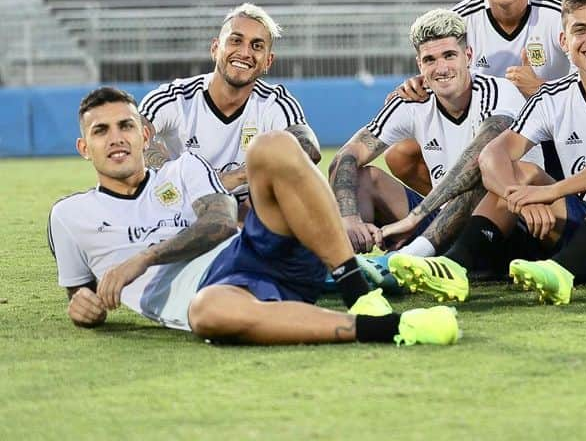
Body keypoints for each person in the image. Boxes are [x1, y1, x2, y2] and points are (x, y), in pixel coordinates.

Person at [49, 87, 458, 346]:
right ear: (84, 147)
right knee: (209, 313)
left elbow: (222, 221)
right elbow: (81, 294)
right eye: (101, 131)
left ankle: (359, 290)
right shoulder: (69, 215)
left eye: (125, 125)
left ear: (144, 135)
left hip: (250, 250)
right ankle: (389, 328)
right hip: (216, 296)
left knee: (272, 145)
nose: (116, 137)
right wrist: (83, 309)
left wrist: (144, 258)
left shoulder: (183, 167)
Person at [389, 0, 586, 306]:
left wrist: (552, 192)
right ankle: (454, 264)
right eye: (579, 30)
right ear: (564, 41)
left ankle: (561, 271)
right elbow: (493, 154)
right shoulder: (552, 97)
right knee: (521, 172)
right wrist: (518, 197)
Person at [328, 9, 541, 266]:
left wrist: (414, 217)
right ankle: (345, 263)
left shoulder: (499, 92)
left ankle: (411, 256)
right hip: (442, 220)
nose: (441, 69)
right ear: (419, 65)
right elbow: (347, 155)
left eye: (449, 56)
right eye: (430, 60)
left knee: (485, 174)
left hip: (505, 223)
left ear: (468, 56)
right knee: (364, 178)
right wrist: (349, 216)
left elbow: (482, 158)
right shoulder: (413, 99)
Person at [384, 0, 571, 195]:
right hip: (481, 131)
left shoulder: (561, 15)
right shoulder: (459, 21)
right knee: (400, 152)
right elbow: (439, 68)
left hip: (549, 131)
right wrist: (418, 86)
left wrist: (543, 92)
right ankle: (454, 211)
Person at [138, 3, 319, 204]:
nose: (245, 52)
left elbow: (308, 149)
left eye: (257, 46)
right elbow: (131, 137)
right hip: (181, 210)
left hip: (248, 214)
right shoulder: (175, 97)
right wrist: (185, 177)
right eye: (235, 41)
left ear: (268, 61)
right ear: (215, 48)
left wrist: (242, 177)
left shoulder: (274, 101)